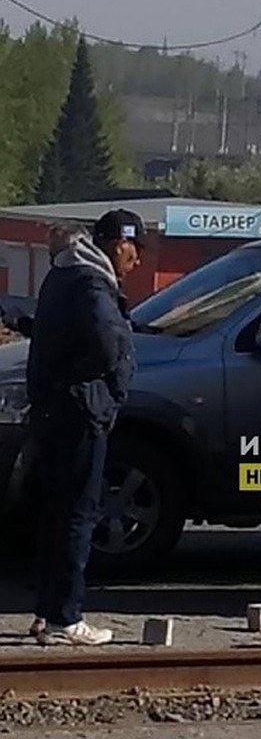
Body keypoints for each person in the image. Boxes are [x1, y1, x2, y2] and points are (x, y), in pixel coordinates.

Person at [25, 209, 144, 646]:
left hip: (54, 409)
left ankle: (46, 611)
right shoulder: (93, 283)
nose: (138, 260)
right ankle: (66, 617)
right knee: (78, 513)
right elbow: (109, 345)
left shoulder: (63, 276)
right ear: (119, 246)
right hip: (80, 412)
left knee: (56, 513)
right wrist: (109, 393)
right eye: (136, 249)